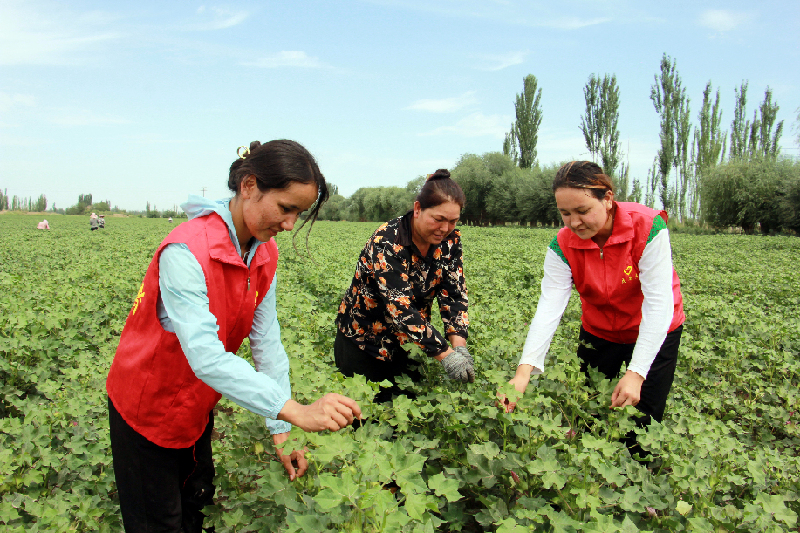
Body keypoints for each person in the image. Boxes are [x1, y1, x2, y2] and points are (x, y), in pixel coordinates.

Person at [106, 140, 362, 533]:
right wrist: (294, 410)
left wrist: (281, 432)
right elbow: (206, 356)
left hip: (195, 407)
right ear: (249, 186)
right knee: (159, 523)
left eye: (300, 213)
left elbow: (266, 343)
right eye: (286, 208)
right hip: (147, 413)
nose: (290, 223)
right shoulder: (185, 250)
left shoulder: (263, 252)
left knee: (197, 512)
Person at [499, 161, 684, 456]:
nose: (574, 223)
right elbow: (549, 307)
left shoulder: (647, 227)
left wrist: (636, 374)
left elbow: (659, 303)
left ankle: (637, 482)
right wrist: (523, 372)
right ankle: (591, 475)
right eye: (565, 213)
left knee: (645, 420)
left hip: (655, 330)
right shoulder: (562, 244)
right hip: (600, 331)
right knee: (589, 410)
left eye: (583, 211)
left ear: (608, 199)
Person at [335, 169, 474, 402]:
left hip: (410, 345)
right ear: (418, 209)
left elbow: (454, 293)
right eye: (438, 219)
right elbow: (400, 309)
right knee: (366, 422)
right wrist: (445, 354)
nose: (445, 228)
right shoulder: (387, 241)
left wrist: (459, 346)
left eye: (452, 221)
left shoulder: (450, 241)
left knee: (406, 419)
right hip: (364, 345)